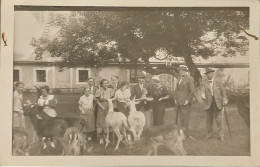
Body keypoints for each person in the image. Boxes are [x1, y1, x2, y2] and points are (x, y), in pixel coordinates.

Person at [201, 67, 228, 142]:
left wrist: (224, 99)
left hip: (218, 103)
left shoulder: (218, 81)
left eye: (211, 73)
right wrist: (202, 94)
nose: (210, 75)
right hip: (208, 103)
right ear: (206, 75)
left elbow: (223, 92)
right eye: (209, 74)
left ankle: (221, 136)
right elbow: (202, 90)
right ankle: (209, 135)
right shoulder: (204, 82)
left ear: (213, 74)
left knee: (219, 120)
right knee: (209, 120)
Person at [174, 65, 195, 139]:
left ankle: (187, 135)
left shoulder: (189, 78)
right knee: (182, 118)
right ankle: (183, 134)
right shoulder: (179, 78)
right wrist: (175, 99)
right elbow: (176, 90)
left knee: (186, 119)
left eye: (183, 70)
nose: (181, 71)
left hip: (185, 102)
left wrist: (188, 100)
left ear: (186, 71)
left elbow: (192, 91)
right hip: (179, 102)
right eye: (180, 70)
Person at [95, 79, 115, 144]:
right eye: (104, 83)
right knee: (101, 122)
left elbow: (112, 98)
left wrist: (110, 104)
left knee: (108, 121)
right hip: (101, 107)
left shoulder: (110, 90)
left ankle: (106, 137)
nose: (106, 84)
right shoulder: (98, 90)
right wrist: (102, 107)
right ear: (101, 84)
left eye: (107, 83)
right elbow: (97, 101)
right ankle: (101, 138)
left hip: (108, 107)